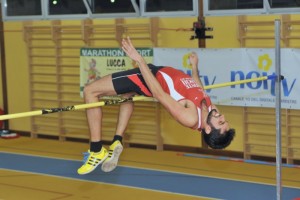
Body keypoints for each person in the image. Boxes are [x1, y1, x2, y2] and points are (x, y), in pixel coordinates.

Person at [77, 37, 235, 175]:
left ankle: (96, 149)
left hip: (148, 78)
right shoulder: (211, 111)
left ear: (208, 129)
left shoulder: (190, 118)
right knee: (126, 95)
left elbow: (160, 95)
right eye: (224, 119)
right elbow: (199, 89)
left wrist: (140, 61)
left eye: (220, 122)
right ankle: (117, 139)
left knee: (90, 91)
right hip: (153, 73)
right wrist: (194, 67)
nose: (221, 116)